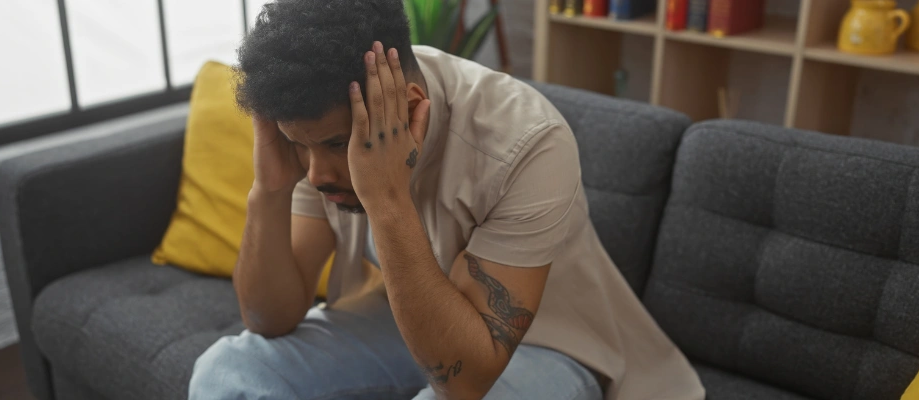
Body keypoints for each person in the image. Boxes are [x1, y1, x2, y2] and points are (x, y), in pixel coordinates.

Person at [189, 0, 705, 399]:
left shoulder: (526, 142)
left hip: (549, 345)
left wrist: (388, 198)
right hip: (399, 320)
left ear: (409, 106)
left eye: (332, 145)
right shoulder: (320, 142)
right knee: (227, 370)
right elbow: (270, 318)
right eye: (300, 145)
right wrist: (269, 190)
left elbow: (465, 383)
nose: (317, 173)